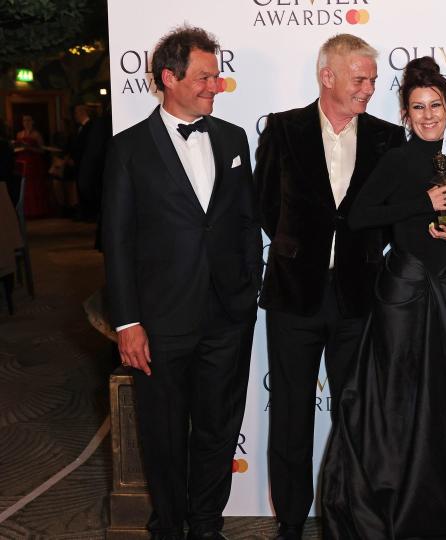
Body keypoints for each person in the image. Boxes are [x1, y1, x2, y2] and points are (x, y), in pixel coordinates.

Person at [320, 55, 446, 540]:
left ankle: (431, 502)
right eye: (418, 107)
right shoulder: (397, 160)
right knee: (398, 397)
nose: (427, 115)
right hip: (403, 289)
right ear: (405, 113)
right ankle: (392, 503)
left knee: (438, 398)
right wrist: (419, 204)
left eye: (436, 106)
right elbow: (358, 215)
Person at [102, 25, 261, 540]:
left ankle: (207, 525)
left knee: (218, 431)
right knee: (164, 436)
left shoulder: (234, 140)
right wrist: (128, 321)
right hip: (160, 321)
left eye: (217, 76)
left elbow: (242, 223)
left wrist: (246, 292)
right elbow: (118, 243)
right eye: (204, 77)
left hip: (225, 316)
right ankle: (169, 527)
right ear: (168, 78)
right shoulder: (127, 149)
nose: (216, 86)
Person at [254, 34, 405, 540]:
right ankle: (291, 523)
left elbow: (390, 216)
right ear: (328, 76)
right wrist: (304, 249)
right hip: (294, 296)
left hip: (357, 300)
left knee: (355, 417)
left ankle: (350, 519)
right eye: (360, 78)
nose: (370, 87)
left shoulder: (388, 138)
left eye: (373, 79)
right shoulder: (283, 129)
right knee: (292, 416)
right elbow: (264, 207)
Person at [14, 114, 51, 218]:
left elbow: (42, 150)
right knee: (23, 186)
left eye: (28, 120)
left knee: (35, 186)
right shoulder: (19, 134)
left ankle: (37, 211)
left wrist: (29, 148)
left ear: (32, 121)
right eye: (24, 120)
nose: (26, 122)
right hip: (22, 161)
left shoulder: (36, 135)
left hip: (34, 163)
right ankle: (25, 211)